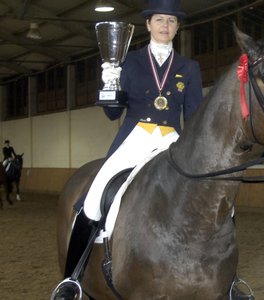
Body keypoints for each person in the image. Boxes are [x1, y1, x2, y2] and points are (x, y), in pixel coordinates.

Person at [51, 0, 203, 298]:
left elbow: (195, 114)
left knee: (214, 197)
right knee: (92, 198)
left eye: (171, 21)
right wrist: (109, 84)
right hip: (135, 137)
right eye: (159, 20)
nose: (165, 26)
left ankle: (230, 278)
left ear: (177, 27)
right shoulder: (128, 61)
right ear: (148, 25)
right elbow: (112, 113)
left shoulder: (189, 67)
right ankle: (73, 278)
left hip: (172, 140)